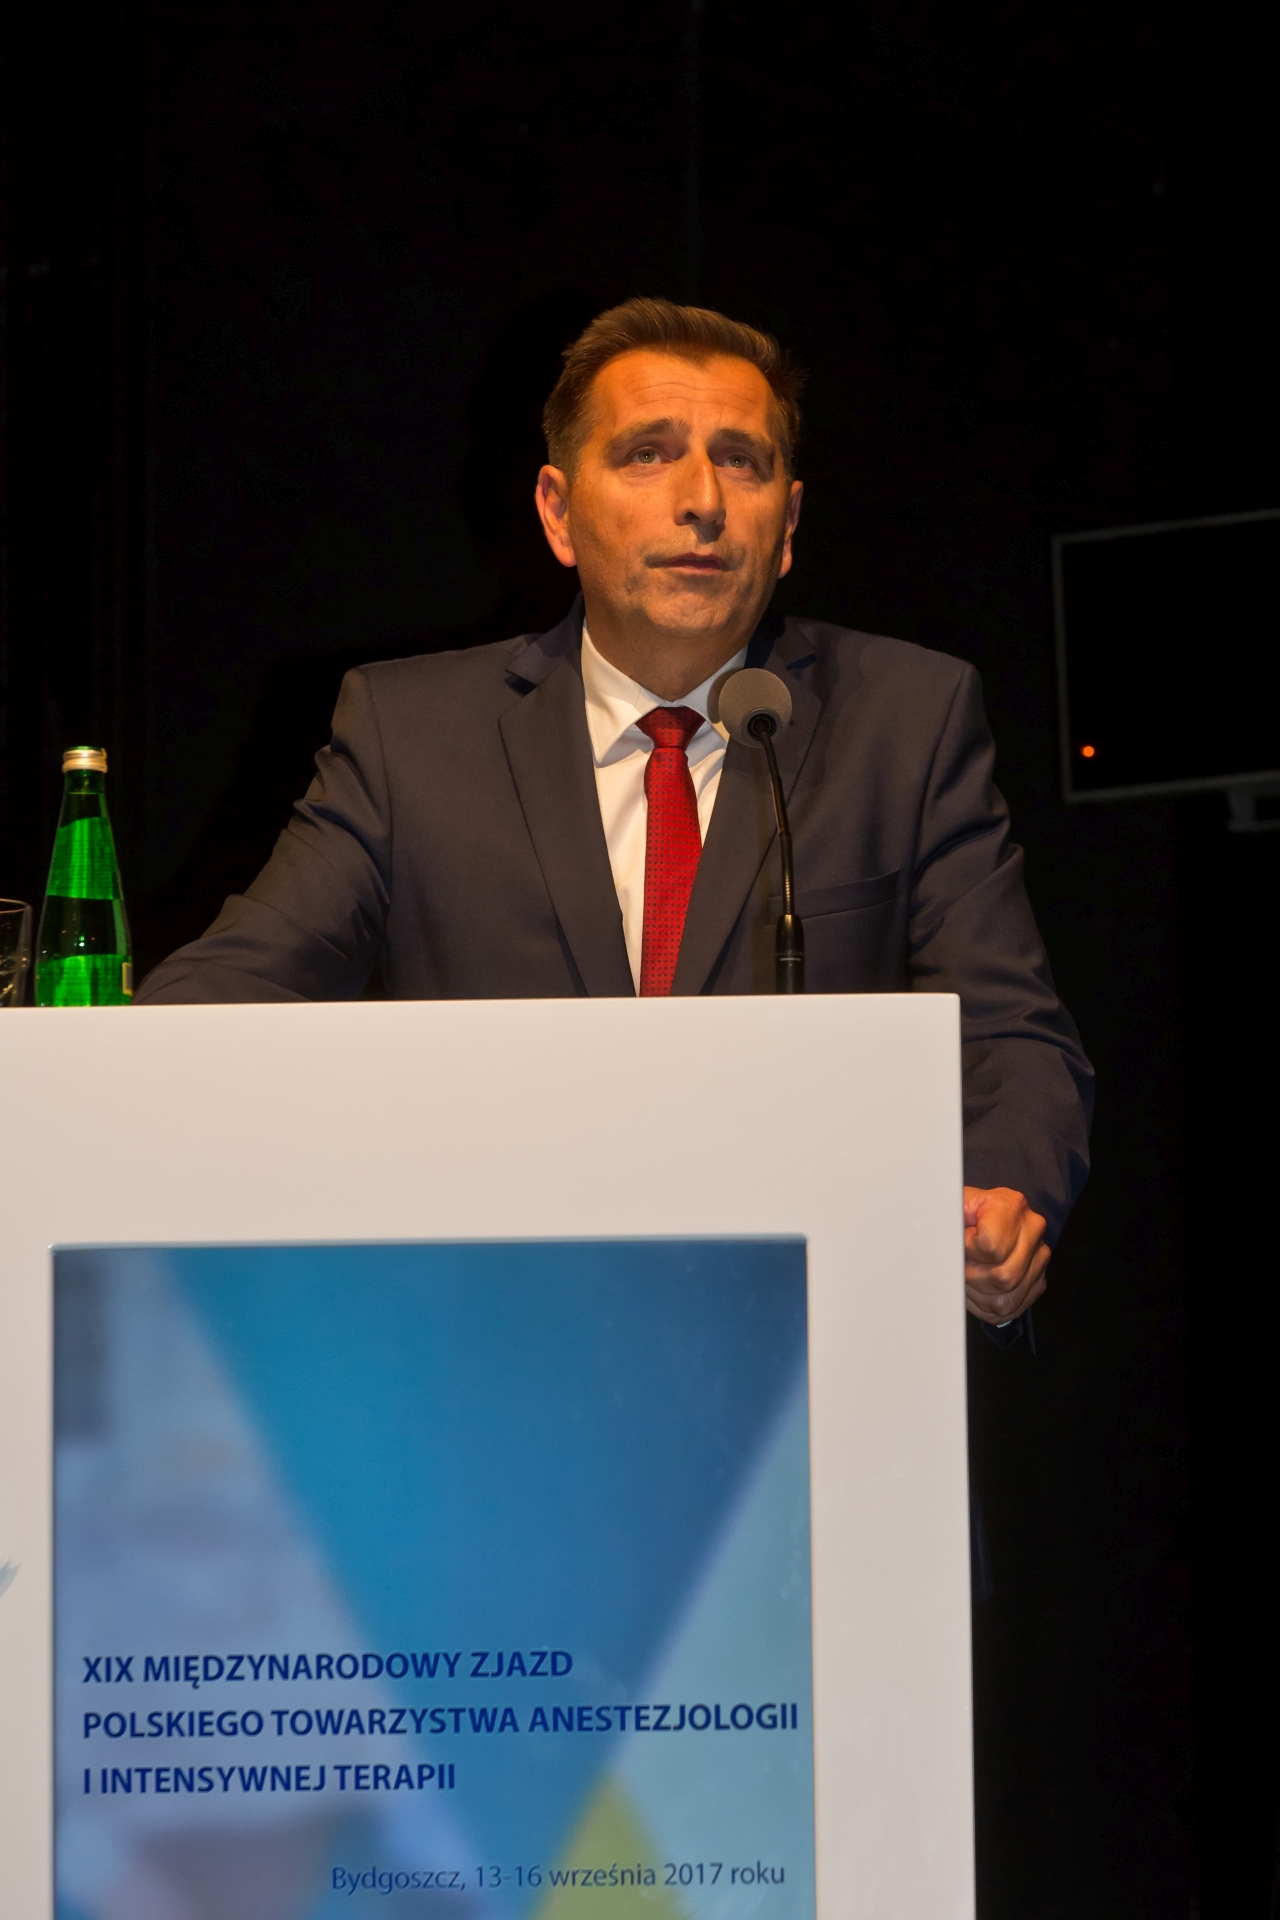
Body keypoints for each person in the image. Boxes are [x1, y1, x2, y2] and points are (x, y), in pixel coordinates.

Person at [137, 297, 1092, 1329]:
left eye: (740, 461)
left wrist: (1003, 1193)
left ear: (786, 528)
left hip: (808, 1330)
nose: (702, 501)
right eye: (647, 454)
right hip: (491, 1331)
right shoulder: (413, 738)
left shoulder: (904, 719)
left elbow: (1010, 1034)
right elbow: (234, 988)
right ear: (557, 513)